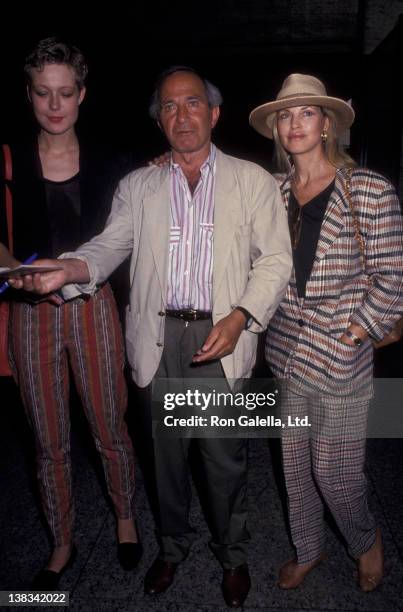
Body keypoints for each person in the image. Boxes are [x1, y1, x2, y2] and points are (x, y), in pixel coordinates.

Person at [10, 66, 292, 607]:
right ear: (159, 121)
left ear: (213, 114)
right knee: (164, 458)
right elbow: (108, 244)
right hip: (157, 336)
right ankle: (171, 548)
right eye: (168, 106)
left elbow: (276, 261)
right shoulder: (138, 185)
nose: (181, 115)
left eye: (192, 104)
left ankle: (232, 555)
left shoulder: (251, 180)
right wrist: (68, 270)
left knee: (222, 458)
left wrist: (240, 316)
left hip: (221, 333)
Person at [249, 73, 403, 591]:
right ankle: (308, 548)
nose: (295, 123)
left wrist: (357, 332)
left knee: (335, 477)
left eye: (307, 113)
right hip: (286, 354)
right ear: (277, 128)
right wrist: (172, 164)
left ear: (327, 125)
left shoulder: (367, 189)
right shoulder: (268, 191)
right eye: (286, 115)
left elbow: (392, 277)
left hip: (340, 358)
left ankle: (366, 542)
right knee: (295, 472)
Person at [0, 37, 141, 589]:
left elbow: (124, 235)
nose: (54, 106)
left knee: (110, 423)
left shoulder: (112, 160)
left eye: (65, 93)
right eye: (42, 93)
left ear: (82, 94)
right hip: (29, 312)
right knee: (48, 436)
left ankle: (125, 518)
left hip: (92, 307)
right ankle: (62, 541)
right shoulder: (8, 158)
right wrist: (17, 273)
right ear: (29, 95)